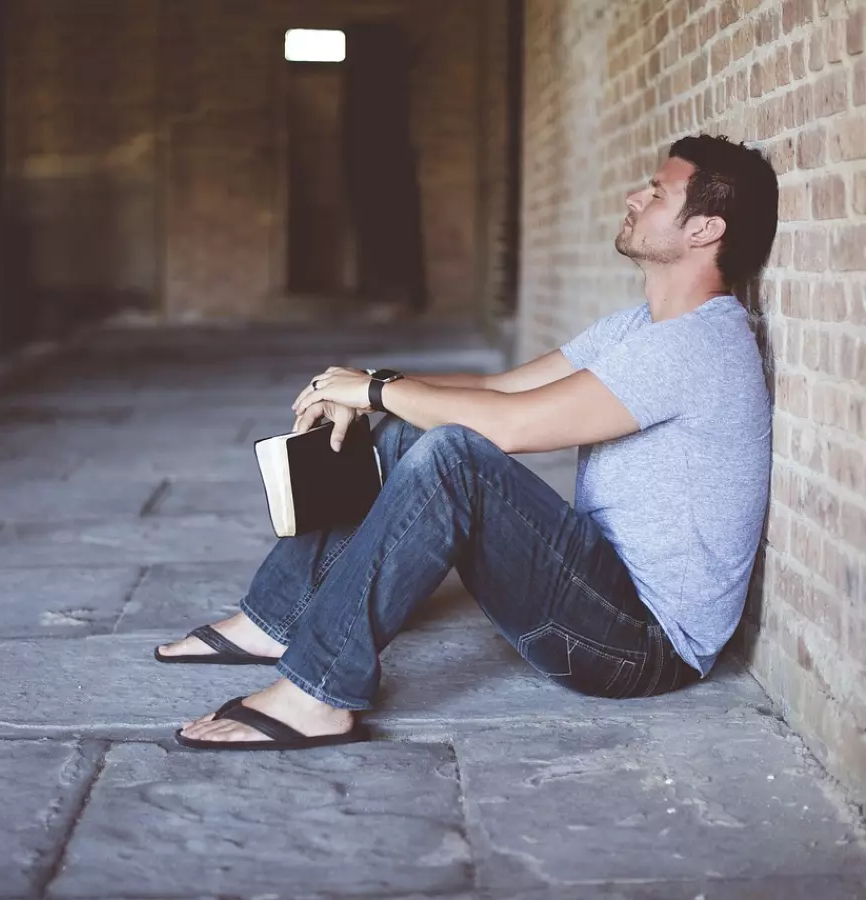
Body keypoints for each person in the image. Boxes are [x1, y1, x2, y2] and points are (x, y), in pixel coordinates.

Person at [157, 133, 780, 751]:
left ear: (704, 230)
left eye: (655, 192)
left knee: (452, 456)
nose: (632, 197)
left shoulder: (697, 345)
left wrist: (371, 391)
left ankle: (317, 692)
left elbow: (511, 427)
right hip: (599, 588)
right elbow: (496, 387)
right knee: (412, 427)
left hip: (639, 646)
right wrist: (368, 385)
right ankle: (275, 620)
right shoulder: (640, 327)